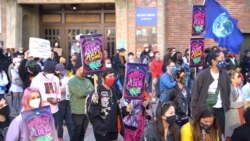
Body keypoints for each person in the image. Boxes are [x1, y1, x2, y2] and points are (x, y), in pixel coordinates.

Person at [191, 50, 230, 135]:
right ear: (213, 61)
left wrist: (227, 107)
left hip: (220, 110)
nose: (224, 60)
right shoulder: (202, 75)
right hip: (206, 109)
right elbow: (195, 94)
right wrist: (194, 113)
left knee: (219, 133)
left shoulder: (225, 75)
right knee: (206, 133)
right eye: (221, 58)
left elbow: (228, 92)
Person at [89, 69, 124, 141]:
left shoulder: (113, 89)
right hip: (102, 130)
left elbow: (119, 101)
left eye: (113, 76)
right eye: (110, 76)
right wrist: (94, 103)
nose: (112, 78)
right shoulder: (97, 91)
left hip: (113, 128)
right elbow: (91, 113)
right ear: (103, 78)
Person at [68, 56, 94, 141]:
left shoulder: (87, 80)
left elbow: (93, 91)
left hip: (86, 112)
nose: (84, 70)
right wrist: (88, 91)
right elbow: (79, 94)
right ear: (77, 69)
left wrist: (86, 91)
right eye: (82, 68)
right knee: (76, 134)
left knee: (82, 133)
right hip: (77, 112)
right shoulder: (72, 81)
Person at [30, 60, 61, 128]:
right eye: (48, 72)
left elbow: (58, 91)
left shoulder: (56, 78)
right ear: (44, 71)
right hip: (42, 111)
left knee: (54, 130)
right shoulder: (36, 80)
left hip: (55, 110)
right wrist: (46, 99)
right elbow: (32, 95)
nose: (50, 75)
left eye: (52, 72)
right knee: (44, 133)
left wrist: (58, 99)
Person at [225, 70, 245, 141]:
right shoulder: (229, 88)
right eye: (238, 76)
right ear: (232, 79)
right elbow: (229, 103)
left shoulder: (239, 87)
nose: (240, 78)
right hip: (232, 117)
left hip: (240, 114)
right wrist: (243, 103)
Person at [55, 64, 73, 141]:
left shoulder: (67, 78)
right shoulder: (55, 78)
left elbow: (70, 89)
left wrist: (63, 90)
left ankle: (69, 137)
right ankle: (60, 137)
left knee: (67, 121)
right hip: (61, 101)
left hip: (65, 100)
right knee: (61, 122)